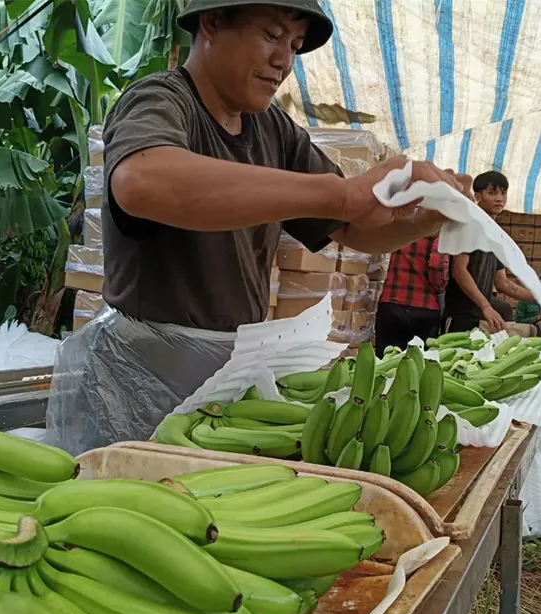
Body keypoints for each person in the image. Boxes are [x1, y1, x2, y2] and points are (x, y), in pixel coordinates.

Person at [46, 0, 474, 455]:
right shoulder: (160, 100)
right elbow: (142, 182)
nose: (284, 61)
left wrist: (426, 219)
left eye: (294, 46)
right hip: (141, 374)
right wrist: (343, 193)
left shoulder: (273, 130)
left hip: (230, 370)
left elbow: (352, 230)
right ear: (212, 22)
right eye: (271, 36)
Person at [443, 171, 535, 334]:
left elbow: (503, 283)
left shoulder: (496, 235)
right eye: (492, 193)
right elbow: (458, 269)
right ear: (478, 196)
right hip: (460, 315)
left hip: (480, 318)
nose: (499, 198)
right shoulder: (469, 223)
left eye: (503, 193)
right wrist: (486, 305)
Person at [374, 236, 449, 356]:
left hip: (392, 303)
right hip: (424, 309)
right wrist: (440, 288)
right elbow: (437, 265)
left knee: (384, 360)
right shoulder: (436, 231)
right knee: (417, 362)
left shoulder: (404, 228)